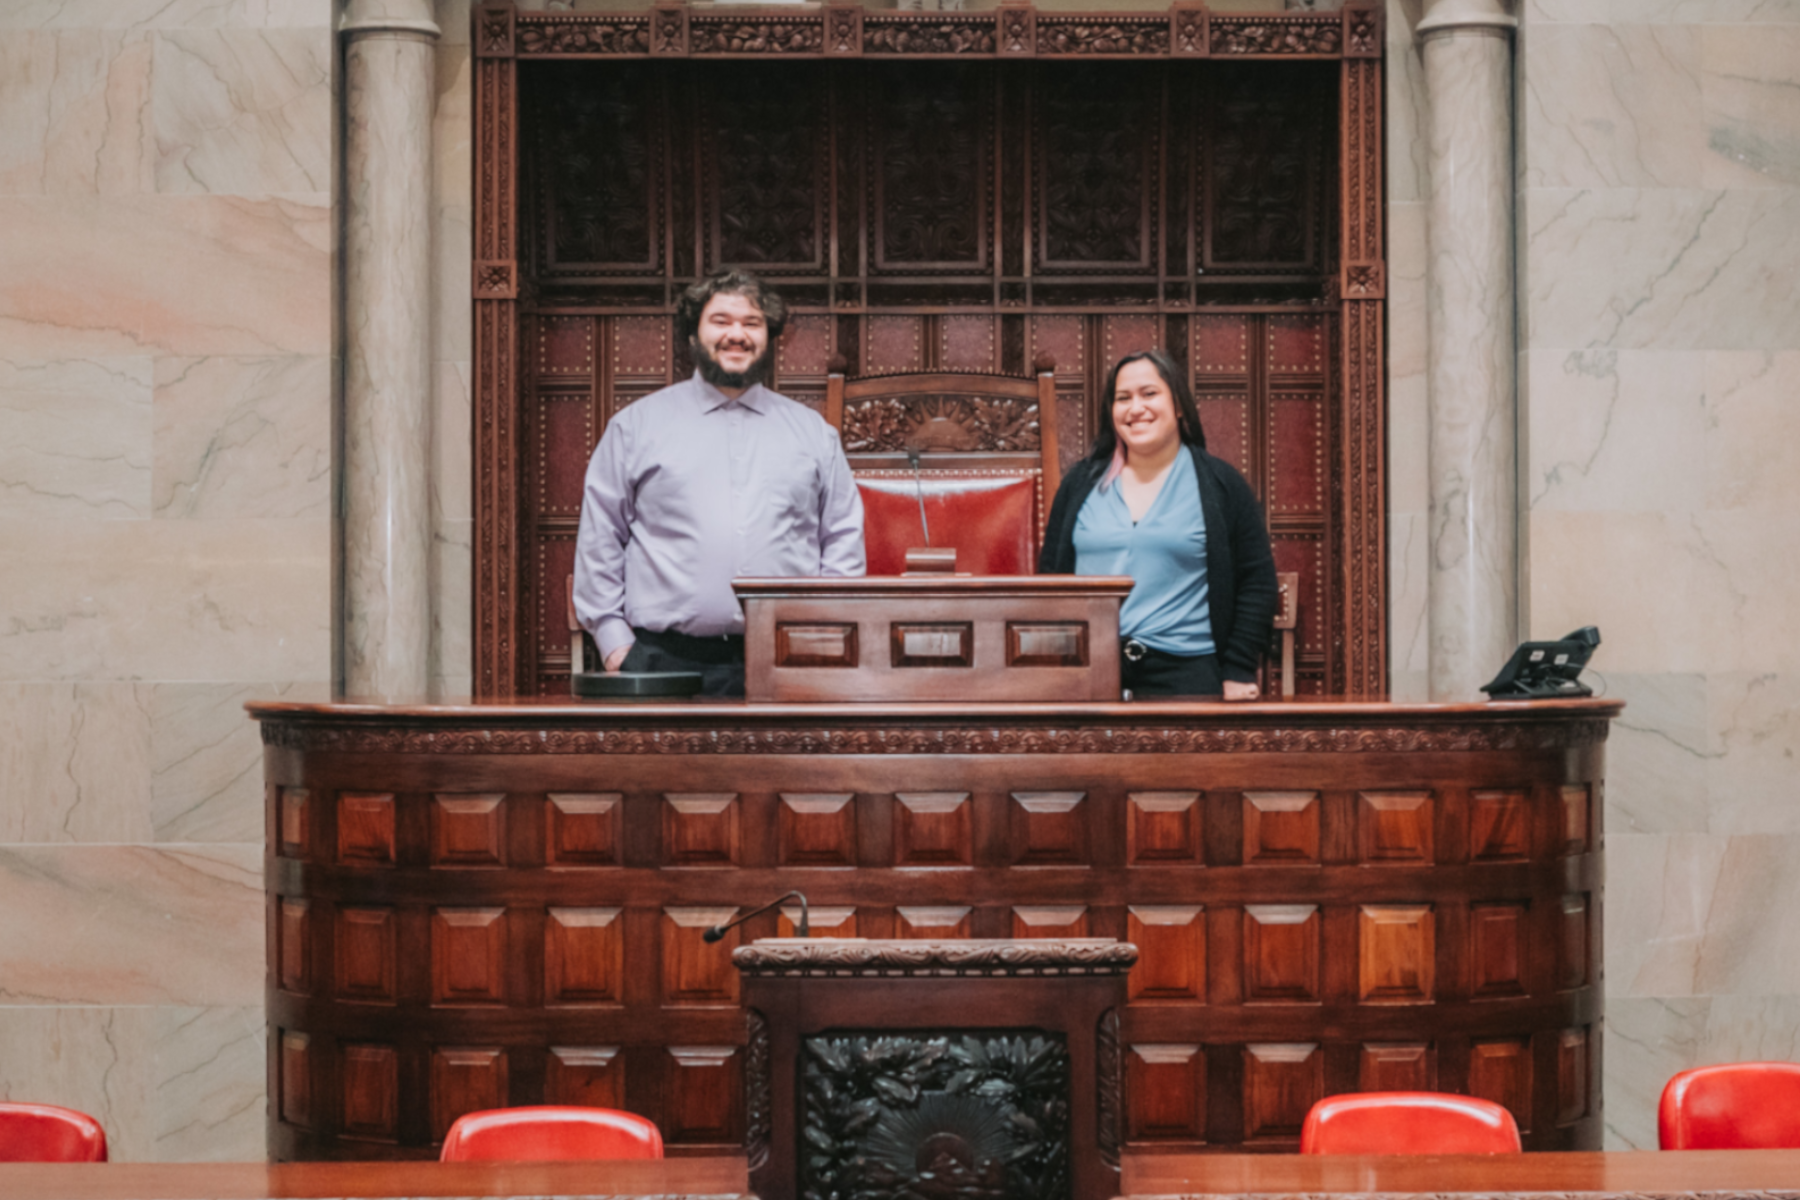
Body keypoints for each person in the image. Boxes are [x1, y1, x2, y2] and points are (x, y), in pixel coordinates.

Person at [572, 269, 865, 697]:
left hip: (790, 658)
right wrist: (617, 645)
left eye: (751, 323)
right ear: (693, 335)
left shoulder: (813, 434)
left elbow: (841, 539)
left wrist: (827, 636)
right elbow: (601, 538)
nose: (737, 334)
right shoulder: (636, 428)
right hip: (661, 660)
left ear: (772, 338)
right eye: (721, 321)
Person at [1039, 349, 1277, 700]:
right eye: (1123, 398)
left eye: (1149, 394)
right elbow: (1050, 579)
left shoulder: (1221, 484)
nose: (1136, 408)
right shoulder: (1079, 484)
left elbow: (1256, 582)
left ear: (1179, 405)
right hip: (1086, 672)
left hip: (1188, 674)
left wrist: (1239, 670)